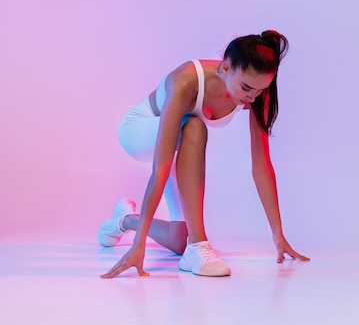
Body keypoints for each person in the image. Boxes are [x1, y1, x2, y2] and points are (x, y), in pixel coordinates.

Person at [98, 30, 310, 279]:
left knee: (178, 241)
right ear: (225, 68)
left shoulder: (256, 94)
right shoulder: (187, 81)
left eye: (260, 90)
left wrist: (278, 235)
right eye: (247, 88)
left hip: (180, 140)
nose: (253, 97)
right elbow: (162, 168)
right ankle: (199, 246)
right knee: (194, 125)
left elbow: (261, 165)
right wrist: (139, 245)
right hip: (139, 131)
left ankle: (125, 219)